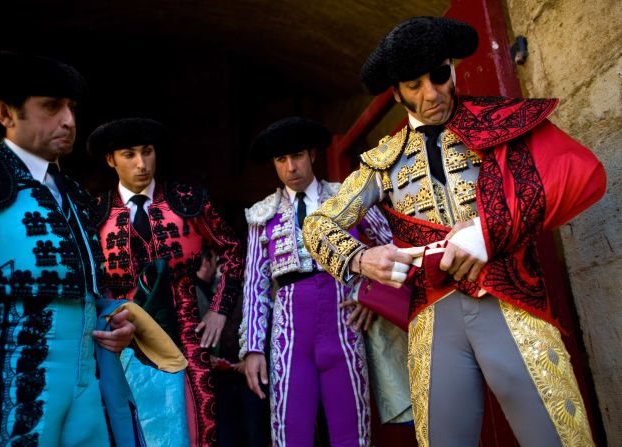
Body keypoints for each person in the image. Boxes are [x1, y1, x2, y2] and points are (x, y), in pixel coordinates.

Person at [302, 16, 606, 447]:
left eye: (440, 76)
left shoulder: (498, 123)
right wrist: (359, 258)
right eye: (414, 84)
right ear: (396, 92)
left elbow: (579, 175)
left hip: (509, 298)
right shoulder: (381, 161)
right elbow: (317, 224)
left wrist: (487, 232)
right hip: (434, 316)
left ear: (453, 69)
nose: (432, 94)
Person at [0, 51, 142, 446]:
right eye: (51, 107)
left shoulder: (74, 194)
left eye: (71, 107)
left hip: (89, 387)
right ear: (5, 113)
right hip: (8, 391)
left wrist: (113, 324)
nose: (68, 120)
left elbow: (87, 292)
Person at [239, 116, 397, 447]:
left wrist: (373, 294)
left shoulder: (348, 196)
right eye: (281, 160)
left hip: (344, 320)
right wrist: (253, 347)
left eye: (296, 156)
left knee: (351, 429)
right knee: (290, 430)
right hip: (290, 331)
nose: (290, 167)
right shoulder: (261, 214)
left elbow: (391, 244)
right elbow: (255, 284)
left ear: (312, 154)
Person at [88, 117, 244, 446]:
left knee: (197, 424)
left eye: (147, 152)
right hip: (121, 339)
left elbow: (232, 250)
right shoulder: (94, 212)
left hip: (187, 332)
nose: (141, 164)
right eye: (129, 154)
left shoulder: (188, 200)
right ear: (110, 159)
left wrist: (219, 309)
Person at [196, 244, 271, 447]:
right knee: (227, 436)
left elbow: (271, 335)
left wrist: (249, 359)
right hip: (222, 382)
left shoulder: (259, 298)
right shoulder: (214, 295)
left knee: (255, 433)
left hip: (252, 380)